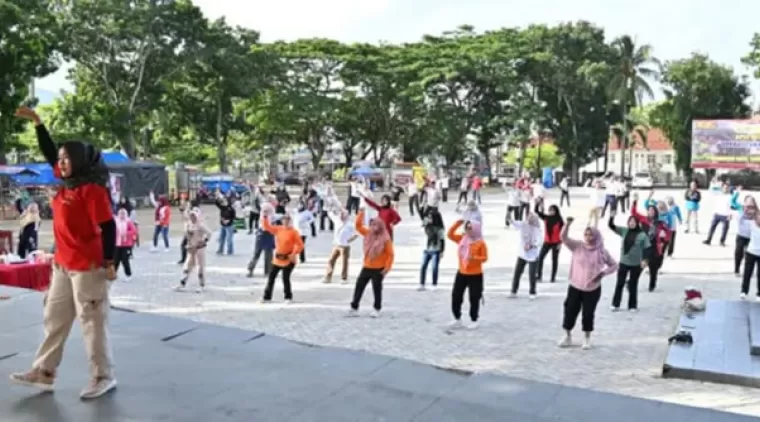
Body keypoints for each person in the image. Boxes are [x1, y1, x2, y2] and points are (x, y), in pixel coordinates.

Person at [10, 106, 118, 399]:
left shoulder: (92, 191)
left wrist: (110, 262)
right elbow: (48, 152)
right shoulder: (68, 184)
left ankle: (102, 376)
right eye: (60, 159)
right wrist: (38, 123)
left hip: (89, 267)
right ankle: (44, 372)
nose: (61, 163)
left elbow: (108, 228)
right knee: (54, 318)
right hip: (63, 265)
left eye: (67, 158)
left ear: (80, 161)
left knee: (92, 322)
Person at [558, 218, 617, 350]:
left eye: (591, 235)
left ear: (596, 236)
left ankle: (587, 337)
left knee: (588, 313)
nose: (588, 237)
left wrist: (603, 273)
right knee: (570, 310)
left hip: (592, 288)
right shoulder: (578, 246)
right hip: (575, 286)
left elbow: (614, 265)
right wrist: (567, 224)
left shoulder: (601, 251)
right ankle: (567, 336)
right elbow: (563, 237)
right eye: (586, 234)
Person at [348, 210, 394, 317]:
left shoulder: (386, 238)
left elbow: (390, 254)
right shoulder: (368, 233)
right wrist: (361, 213)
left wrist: (387, 268)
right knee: (359, 286)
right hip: (367, 266)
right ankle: (354, 306)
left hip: (379, 269)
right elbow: (358, 226)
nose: (373, 227)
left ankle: (376, 308)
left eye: (375, 225)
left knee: (377, 289)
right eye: (372, 225)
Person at [446, 218, 488, 329]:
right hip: (462, 272)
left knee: (474, 297)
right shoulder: (462, 239)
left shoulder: (480, 243)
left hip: (475, 274)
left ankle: (474, 319)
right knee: (456, 295)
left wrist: (474, 258)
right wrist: (457, 223)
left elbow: (485, 258)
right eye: (467, 227)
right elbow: (449, 235)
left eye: (470, 228)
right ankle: (457, 318)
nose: (468, 230)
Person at [608, 212, 649, 311]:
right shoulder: (624, 231)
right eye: (630, 221)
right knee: (620, 283)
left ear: (637, 223)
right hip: (624, 262)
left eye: (634, 222)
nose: (632, 223)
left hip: (636, 263)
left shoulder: (642, 235)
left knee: (633, 284)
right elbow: (611, 226)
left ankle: (632, 305)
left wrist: (645, 260)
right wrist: (611, 217)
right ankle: (615, 304)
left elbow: (647, 248)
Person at [631, 193, 671, 292]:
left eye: (653, 210)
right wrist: (635, 201)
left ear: (656, 212)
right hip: (644, 247)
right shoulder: (644, 219)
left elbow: (668, 234)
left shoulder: (661, 223)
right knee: (640, 266)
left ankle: (652, 285)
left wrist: (664, 237)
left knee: (653, 269)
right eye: (649, 210)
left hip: (655, 248)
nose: (651, 212)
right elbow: (634, 213)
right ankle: (631, 283)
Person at [260, 213, 304, 303]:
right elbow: (267, 227)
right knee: (271, 277)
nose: (286, 222)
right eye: (284, 220)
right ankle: (266, 297)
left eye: (288, 220)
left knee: (285, 278)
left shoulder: (294, 232)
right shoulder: (278, 229)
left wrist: (294, 253)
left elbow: (300, 245)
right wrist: (265, 217)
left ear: (290, 221)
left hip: (289, 259)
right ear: (282, 221)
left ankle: (288, 297)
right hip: (278, 259)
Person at [507, 212, 543, 299]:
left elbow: (539, 241)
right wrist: (510, 218)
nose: (529, 219)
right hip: (522, 253)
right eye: (528, 217)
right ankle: (513, 291)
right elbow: (515, 223)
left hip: (533, 255)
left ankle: (532, 292)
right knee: (517, 273)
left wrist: (531, 245)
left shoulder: (537, 229)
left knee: (532, 274)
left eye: (532, 217)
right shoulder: (523, 224)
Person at [175, 209, 211, 293]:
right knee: (187, 266)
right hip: (191, 248)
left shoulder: (200, 225)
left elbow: (209, 233)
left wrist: (204, 241)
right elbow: (187, 236)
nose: (192, 217)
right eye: (191, 216)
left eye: (194, 216)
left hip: (199, 249)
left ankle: (201, 285)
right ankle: (182, 283)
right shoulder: (189, 225)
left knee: (200, 267)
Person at [322, 206, 358, 284]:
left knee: (344, 262)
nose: (341, 216)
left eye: (343, 214)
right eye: (341, 214)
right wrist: (331, 206)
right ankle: (328, 277)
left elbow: (356, 234)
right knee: (331, 260)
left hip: (345, 246)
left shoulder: (350, 224)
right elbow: (330, 213)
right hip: (336, 245)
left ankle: (344, 278)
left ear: (347, 216)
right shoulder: (337, 220)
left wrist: (350, 240)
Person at [534, 201, 563, 283]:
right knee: (540, 258)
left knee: (554, 260)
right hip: (547, 242)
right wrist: (538, 203)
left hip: (556, 242)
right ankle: (539, 276)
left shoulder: (560, 220)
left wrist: (560, 243)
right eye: (550, 210)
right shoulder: (546, 218)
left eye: (553, 210)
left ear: (556, 211)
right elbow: (536, 211)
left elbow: (563, 233)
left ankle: (553, 277)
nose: (551, 212)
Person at [246, 204, 276, 279]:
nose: (266, 212)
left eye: (267, 210)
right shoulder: (262, 217)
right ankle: (250, 270)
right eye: (264, 210)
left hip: (269, 236)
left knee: (269, 256)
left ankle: (268, 272)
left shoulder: (273, 217)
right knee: (256, 254)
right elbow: (264, 226)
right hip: (261, 235)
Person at [419, 209, 445, 291]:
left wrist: (441, 251)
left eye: (431, 217)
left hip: (436, 250)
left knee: (434, 267)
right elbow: (423, 224)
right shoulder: (428, 227)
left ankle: (434, 284)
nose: (429, 219)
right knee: (423, 266)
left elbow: (442, 240)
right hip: (427, 249)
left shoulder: (440, 229)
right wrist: (425, 221)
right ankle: (422, 284)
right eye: (429, 217)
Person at [741, 201, 760, 300]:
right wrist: (746, 208)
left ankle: (759, 294)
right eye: (758, 218)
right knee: (747, 273)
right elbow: (743, 217)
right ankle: (744, 291)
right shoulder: (751, 223)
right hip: (751, 252)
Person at [735, 196, 756, 278]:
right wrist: (744, 210)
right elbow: (738, 219)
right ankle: (737, 269)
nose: (749, 207)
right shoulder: (741, 212)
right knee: (738, 253)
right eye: (748, 205)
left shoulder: (756, 213)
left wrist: (754, 214)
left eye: (751, 205)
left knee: (750, 256)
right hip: (741, 236)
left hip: (752, 237)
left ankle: (748, 271)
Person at [114, 208, 137, 281]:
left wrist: (126, 234)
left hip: (126, 245)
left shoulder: (128, 221)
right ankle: (113, 274)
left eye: (123, 214)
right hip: (117, 244)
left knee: (125, 260)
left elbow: (134, 231)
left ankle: (128, 275)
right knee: (116, 260)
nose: (122, 215)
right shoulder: (116, 221)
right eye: (120, 213)